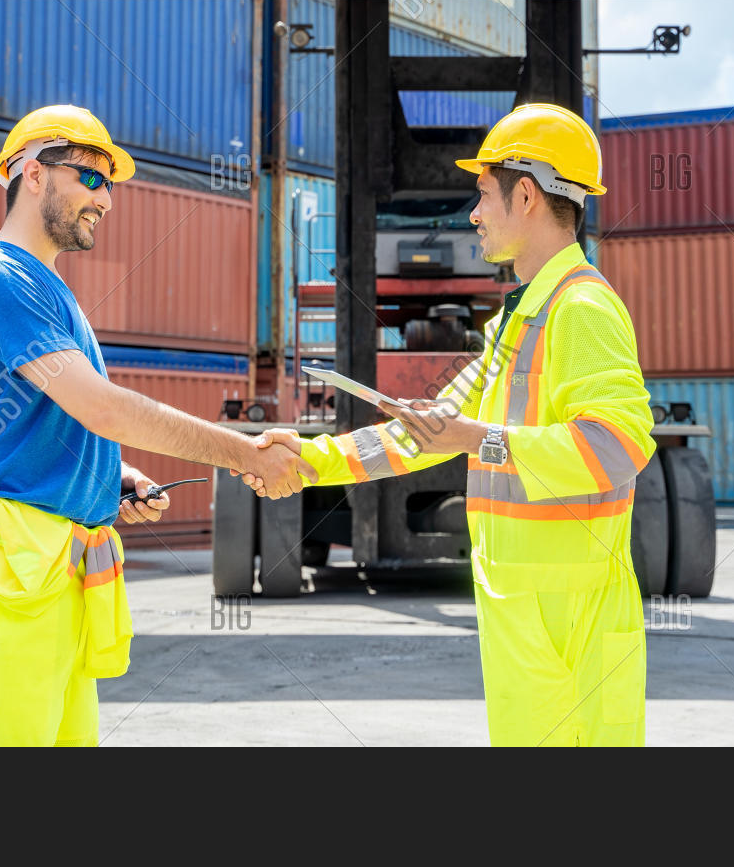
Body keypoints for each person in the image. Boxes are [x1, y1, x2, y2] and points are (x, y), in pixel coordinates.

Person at [255, 104, 656, 746]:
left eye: (482, 194)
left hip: (570, 623)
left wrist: (479, 439)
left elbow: (619, 447)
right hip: (525, 617)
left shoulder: (581, 308)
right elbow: (427, 432)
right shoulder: (514, 323)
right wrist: (311, 459)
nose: (473, 213)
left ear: (525, 194)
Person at [0, 104, 315, 747]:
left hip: (58, 565)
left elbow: (56, 418)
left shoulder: (49, 289)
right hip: (11, 566)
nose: (107, 199)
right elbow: (103, 406)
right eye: (92, 178)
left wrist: (111, 476)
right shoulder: (0, 280)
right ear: (32, 172)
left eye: (113, 185)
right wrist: (243, 453)